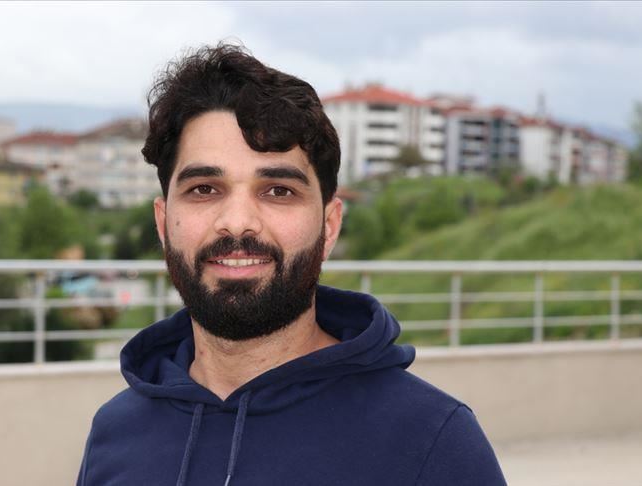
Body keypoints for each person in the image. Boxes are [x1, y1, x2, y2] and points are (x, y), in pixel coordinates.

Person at [76, 43, 506, 486]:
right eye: (205, 189)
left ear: (330, 226)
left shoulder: (431, 440)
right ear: (164, 224)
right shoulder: (115, 431)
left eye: (278, 191)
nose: (237, 223)